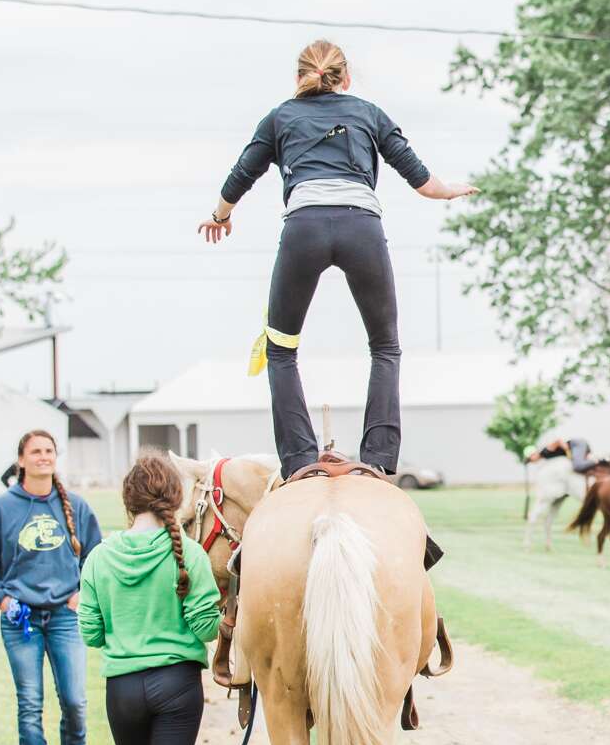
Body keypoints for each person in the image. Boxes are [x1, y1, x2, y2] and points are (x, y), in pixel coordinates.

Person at [198, 40, 478, 481]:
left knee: (282, 349)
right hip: (361, 229)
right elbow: (423, 182)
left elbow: (241, 176)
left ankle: (299, 461)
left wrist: (219, 217)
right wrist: (450, 190)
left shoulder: (280, 117)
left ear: (298, 78)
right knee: (385, 346)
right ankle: (380, 459)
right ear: (345, 78)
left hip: (303, 230)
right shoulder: (368, 113)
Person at [77, 454, 222, 745]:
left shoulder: (100, 556)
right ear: (175, 500)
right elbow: (203, 627)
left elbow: (92, 634)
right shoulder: (191, 555)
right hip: (177, 685)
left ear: (128, 498)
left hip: (122, 686)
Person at [0, 429, 104, 745]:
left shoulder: (75, 506)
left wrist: (81, 593)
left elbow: (96, 556)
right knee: (30, 702)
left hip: (64, 617)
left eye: (49, 451)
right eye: (36, 451)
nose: (43, 456)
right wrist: (1, 599)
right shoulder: (1, 509)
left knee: (74, 698)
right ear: (21, 460)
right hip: (21, 621)